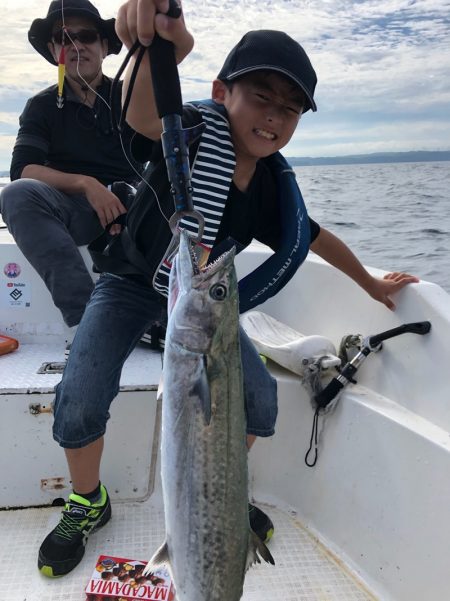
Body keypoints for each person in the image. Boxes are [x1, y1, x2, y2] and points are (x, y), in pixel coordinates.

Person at [36, 0, 419, 578]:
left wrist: (368, 282)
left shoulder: (266, 187)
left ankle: (218, 490)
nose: (274, 116)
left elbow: (310, 237)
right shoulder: (188, 135)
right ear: (221, 92)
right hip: (132, 285)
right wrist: (157, 45)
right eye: (261, 96)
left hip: (201, 310)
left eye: (290, 110)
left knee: (260, 399)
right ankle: (88, 501)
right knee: (81, 394)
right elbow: (143, 115)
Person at [0, 0, 144, 350]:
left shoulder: (132, 97)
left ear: (105, 45)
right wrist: (86, 184)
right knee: (14, 194)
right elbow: (23, 170)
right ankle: (88, 320)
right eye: (64, 38)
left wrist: (128, 199)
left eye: (87, 36)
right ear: (54, 50)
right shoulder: (41, 106)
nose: (76, 45)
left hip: (137, 213)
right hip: (75, 211)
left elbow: (164, 156)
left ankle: (176, 319)